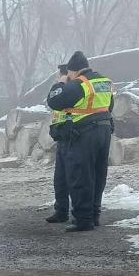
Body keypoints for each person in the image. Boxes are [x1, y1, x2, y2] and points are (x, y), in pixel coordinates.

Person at [46, 51, 114, 232]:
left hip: (83, 134)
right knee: (98, 174)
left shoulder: (79, 84)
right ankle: (93, 214)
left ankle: (83, 219)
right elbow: (110, 106)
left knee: (80, 176)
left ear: (73, 71)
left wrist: (61, 81)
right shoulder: (103, 82)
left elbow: (53, 99)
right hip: (103, 130)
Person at [45, 64, 72, 224]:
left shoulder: (71, 89)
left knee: (73, 178)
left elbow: (54, 99)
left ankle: (74, 211)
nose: (57, 78)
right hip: (62, 135)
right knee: (60, 178)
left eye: (59, 75)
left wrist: (61, 83)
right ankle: (61, 210)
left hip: (72, 136)